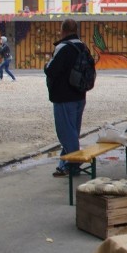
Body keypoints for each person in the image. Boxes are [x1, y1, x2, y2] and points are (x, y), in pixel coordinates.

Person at [45, 19, 88, 178]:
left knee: (65, 132)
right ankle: (64, 166)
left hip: (64, 96)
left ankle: (74, 163)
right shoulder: (83, 46)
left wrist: (46, 65)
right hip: (80, 95)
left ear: (63, 30)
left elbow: (51, 70)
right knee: (72, 131)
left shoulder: (62, 48)